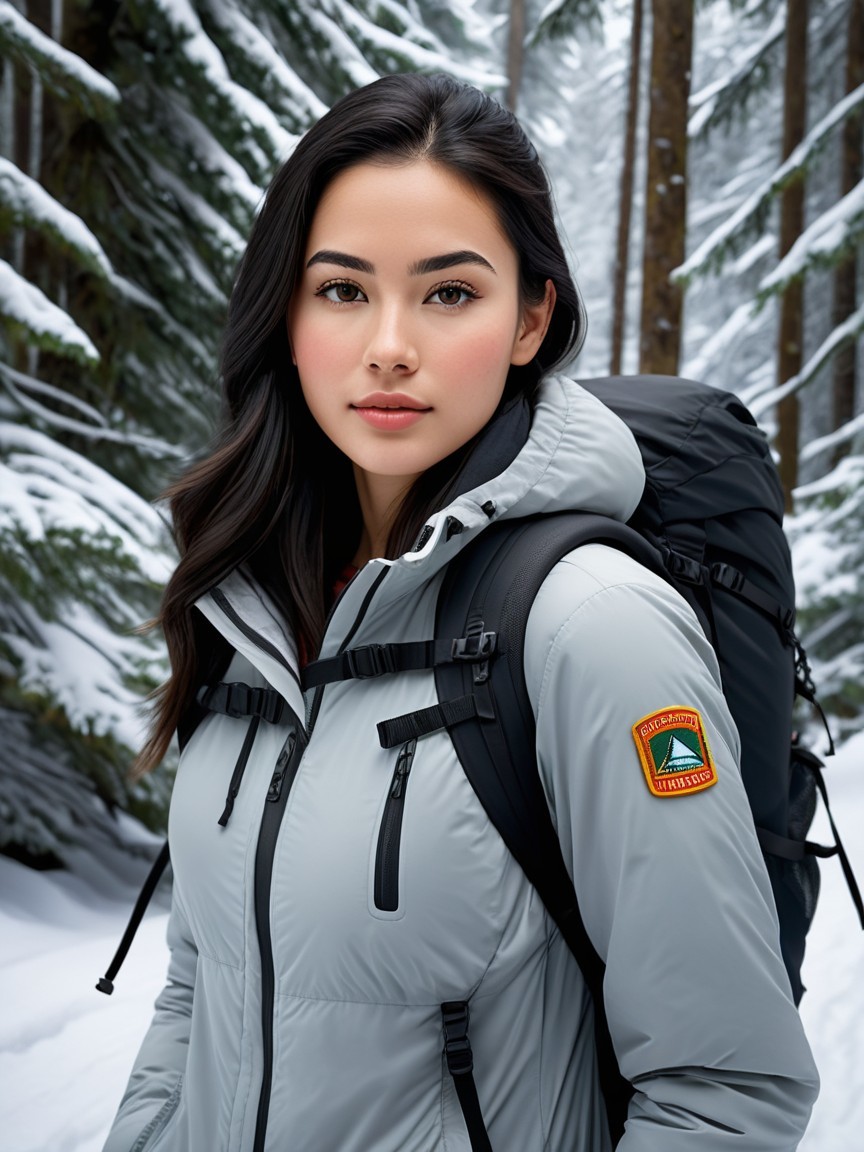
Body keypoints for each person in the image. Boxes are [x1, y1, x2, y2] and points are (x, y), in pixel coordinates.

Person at [104, 73, 818, 1152]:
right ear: (286, 316)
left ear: (531, 317)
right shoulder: (255, 607)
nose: (390, 344)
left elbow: (723, 1091)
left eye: (449, 294)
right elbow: (200, 994)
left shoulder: (592, 625)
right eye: (342, 290)